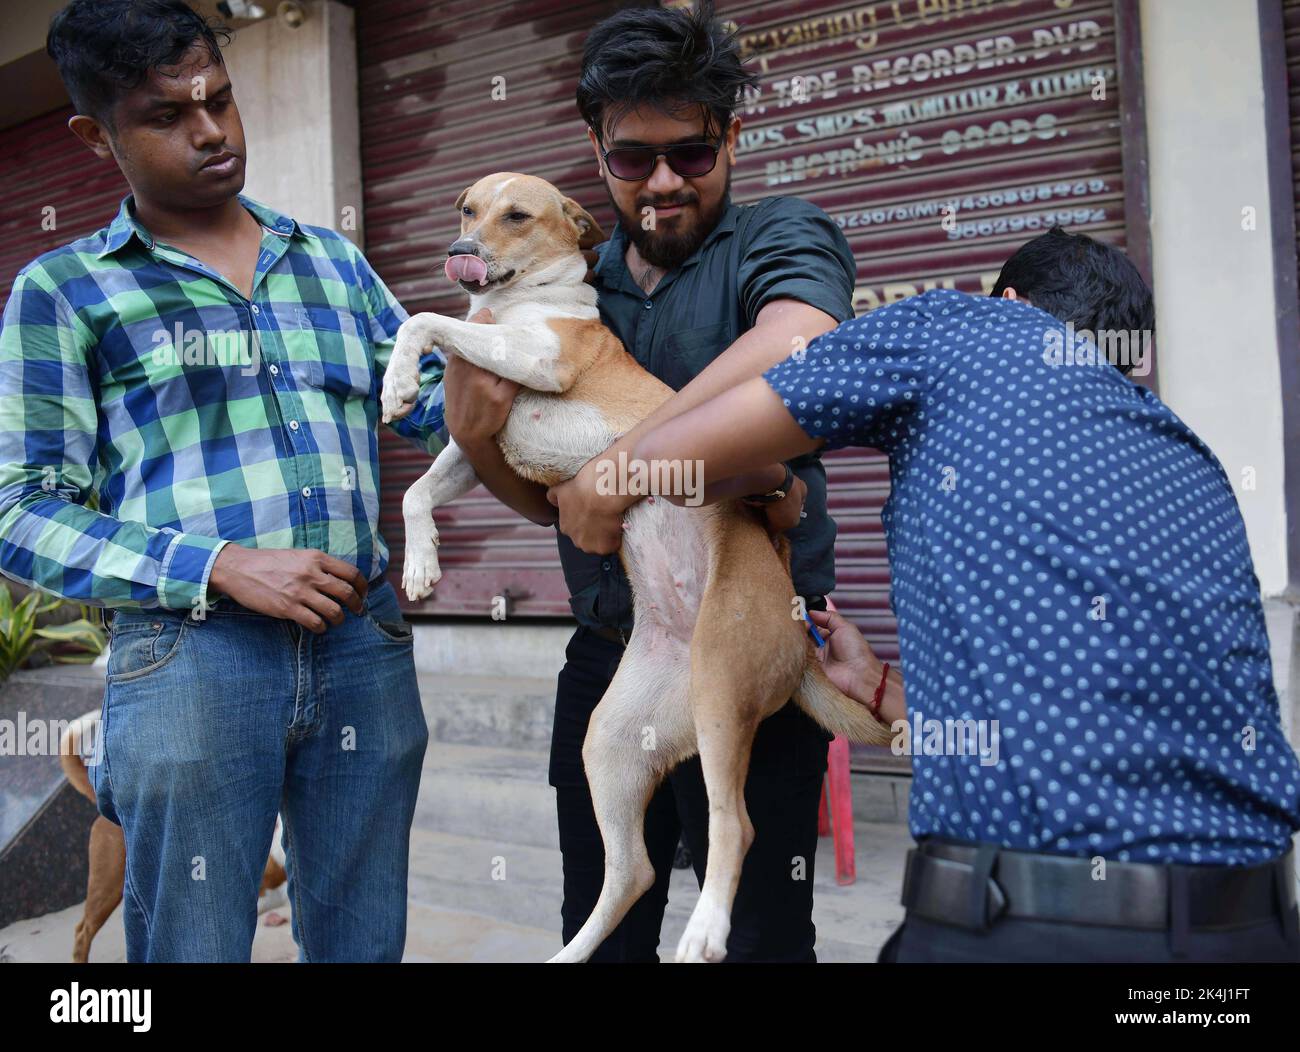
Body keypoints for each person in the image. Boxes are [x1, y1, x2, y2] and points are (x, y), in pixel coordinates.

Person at [553, 226, 1300, 962]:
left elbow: (688, 449)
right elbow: (1102, 711)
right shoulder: (1190, 457)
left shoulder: (961, 325)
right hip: (1252, 929)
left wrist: (613, 478)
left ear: (1009, 301)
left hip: (1027, 928)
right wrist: (882, 689)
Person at [0, 0, 445, 962]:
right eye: (167, 116)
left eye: (221, 100)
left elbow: (440, 408)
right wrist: (220, 566)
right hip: (193, 661)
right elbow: (20, 510)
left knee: (365, 944)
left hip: (362, 644)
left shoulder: (331, 261)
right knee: (191, 947)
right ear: (95, 133)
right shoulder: (65, 291)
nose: (211, 133)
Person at [443, 0, 854, 961]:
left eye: (692, 154)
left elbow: (797, 343)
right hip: (613, 647)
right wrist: (486, 444)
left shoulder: (776, 236)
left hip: (752, 640)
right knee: (605, 928)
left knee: (758, 940)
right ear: (597, 153)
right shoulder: (571, 281)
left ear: (731, 140)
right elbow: (562, 506)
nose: (663, 182)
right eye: (634, 159)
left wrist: (625, 466)